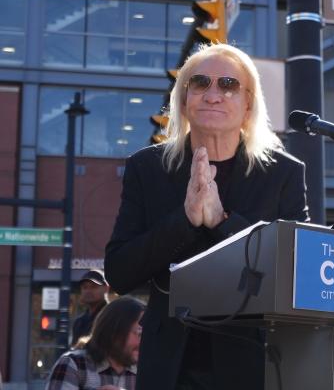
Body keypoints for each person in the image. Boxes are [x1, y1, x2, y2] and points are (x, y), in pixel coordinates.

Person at [104, 43, 309, 390]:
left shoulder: (283, 173)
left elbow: (295, 272)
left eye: (228, 85)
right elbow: (120, 271)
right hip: (168, 362)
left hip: (252, 360)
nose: (213, 95)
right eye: (200, 83)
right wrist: (184, 220)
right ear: (184, 100)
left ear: (248, 104)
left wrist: (222, 222)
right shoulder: (147, 167)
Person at [46, 296, 145, 390]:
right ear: (114, 332)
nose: (145, 342)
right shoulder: (74, 365)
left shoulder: (149, 372)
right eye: (140, 334)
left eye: (149, 335)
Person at [72, 269, 111, 344]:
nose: (88, 291)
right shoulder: (79, 322)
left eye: (94, 287)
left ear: (106, 288)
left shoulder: (113, 317)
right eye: (85, 287)